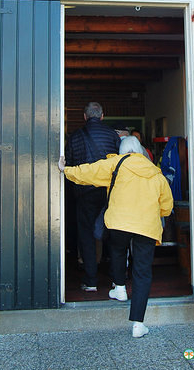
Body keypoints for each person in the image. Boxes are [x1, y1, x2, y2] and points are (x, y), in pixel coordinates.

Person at [59, 135, 173, 338]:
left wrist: (65, 170)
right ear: (140, 151)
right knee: (142, 272)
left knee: (118, 250)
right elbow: (166, 205)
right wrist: (159, 213)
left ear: (122, 151)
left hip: (119, 223)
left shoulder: (116, 164)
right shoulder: (156, 174)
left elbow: (89, 171)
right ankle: (138, 324)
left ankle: (119, 287)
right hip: (146, 226)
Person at [65, 101, 121, 292]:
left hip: (85, 192)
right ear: (102, 116)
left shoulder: (75, 137)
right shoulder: (112, 135)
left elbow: (69, 166)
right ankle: (116, 278)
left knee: (87, 236)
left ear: (84, 116)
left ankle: (91, 281)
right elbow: (120, 164)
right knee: (113, 233)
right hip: (109, 193)